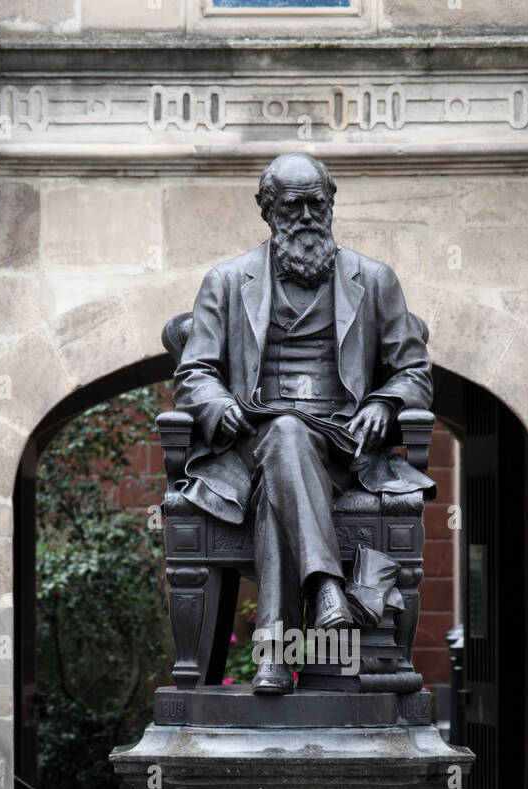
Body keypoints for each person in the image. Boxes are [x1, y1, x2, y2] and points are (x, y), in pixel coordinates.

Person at [173, 152, 433, 694]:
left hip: (344, 449)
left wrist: (384, 404)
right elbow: (194, 372)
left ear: (332, 204)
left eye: (320, 202)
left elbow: (413, 372)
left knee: (282, 479)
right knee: (286, 435)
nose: (310, 215)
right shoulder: (225, 281)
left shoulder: (375, 280)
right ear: (268, 210)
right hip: (251, 440)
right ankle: (328, 591)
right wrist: (220, 408)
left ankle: (275, 656)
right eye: (295, 205)